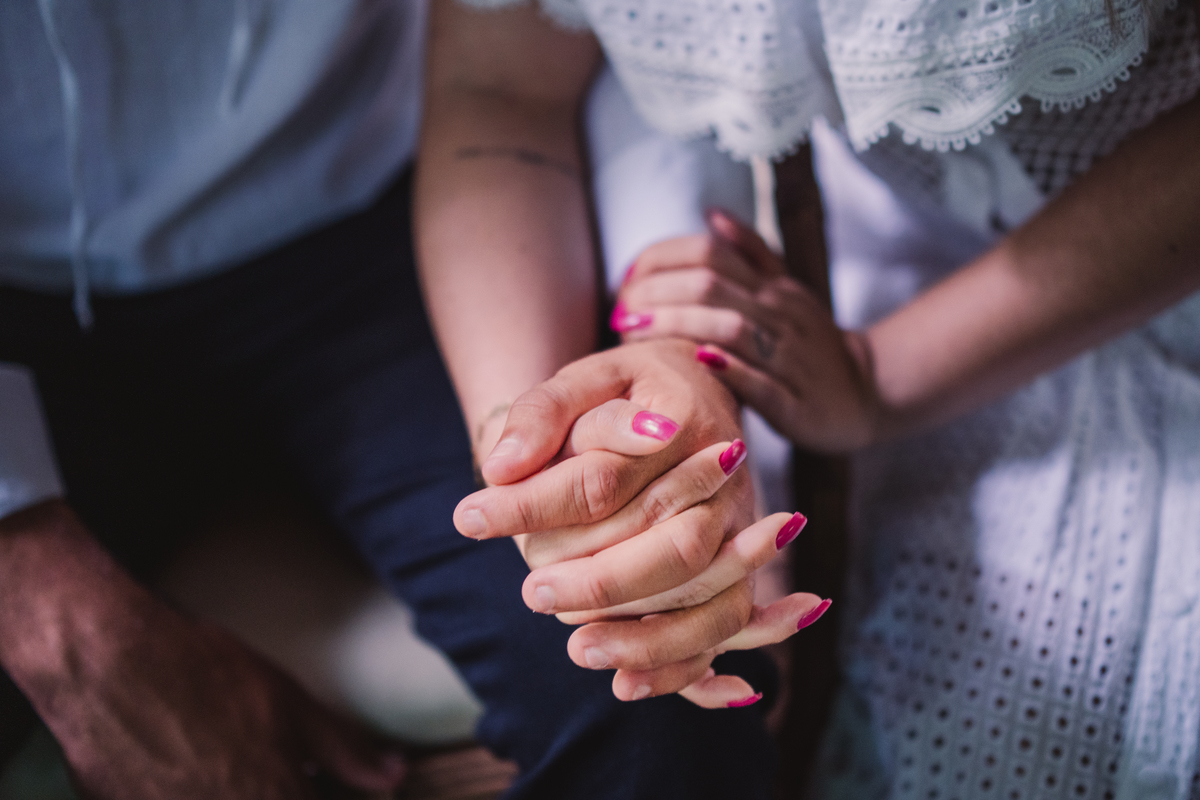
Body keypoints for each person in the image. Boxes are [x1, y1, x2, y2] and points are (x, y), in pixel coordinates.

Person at [0, 2, 814, 798]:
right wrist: (62, 627)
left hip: (395, 208)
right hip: (21, 318)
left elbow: (541, 63)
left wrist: (591, 385)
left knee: (656, 676)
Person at [561, 0, 1200, 797]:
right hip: (908, 289)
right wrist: (640, 368)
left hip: (937, 341)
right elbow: (516, 86)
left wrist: (878, 372)